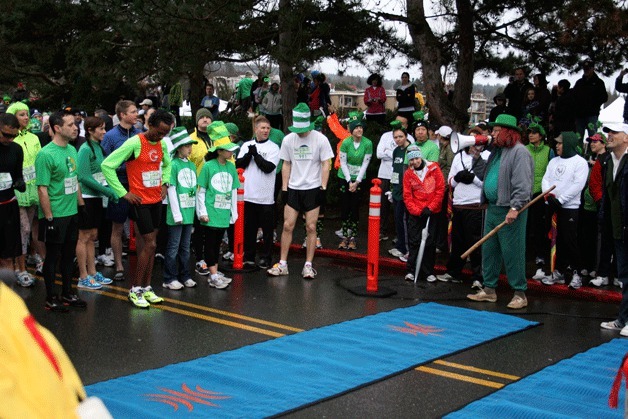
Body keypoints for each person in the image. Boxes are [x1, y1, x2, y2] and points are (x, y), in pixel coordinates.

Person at [101, 110, 174, 308]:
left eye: (165, 134)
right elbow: (107, 165)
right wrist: (123, 193)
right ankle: (135, 289)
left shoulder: (161, 144)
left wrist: (165, 183)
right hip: (139, 200)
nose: (161, 137)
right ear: (149, 125)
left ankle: (147, 287)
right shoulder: (135, 142)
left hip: (155, 200)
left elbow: (168, 164)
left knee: (150, 244)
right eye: (159, 132)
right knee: (150, 244)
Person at [467, 114, 533, 309]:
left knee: (513, 251)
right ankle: (489, 289)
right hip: (493, 207)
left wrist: (515, 207)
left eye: (497, 131)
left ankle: (520, 293)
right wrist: (477, 157)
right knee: (490, 250)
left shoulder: (519, 152)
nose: (493, 134)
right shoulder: (497, 152)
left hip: (510, 209)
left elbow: (522, 183)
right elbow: (484, 175)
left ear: (508, 132)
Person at [267, 103, 334, 279]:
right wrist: (284, 188)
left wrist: (323, 187)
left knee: (311, 226)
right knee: (288, 225)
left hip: (312, 187)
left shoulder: (320, 139)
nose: (299, 131)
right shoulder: (289, 140)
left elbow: (326, 163)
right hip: (294, 187)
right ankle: (282, 264)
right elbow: (286, 164)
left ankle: (308, 265)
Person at [36, 110, 87, 312]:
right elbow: (42, 188)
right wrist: (48, 218)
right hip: (55, 214)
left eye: (75, 124)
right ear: (57, 128)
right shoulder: (45, 154)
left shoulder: (72, 150)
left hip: (71, 212)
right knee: (53, 257)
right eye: (70, 125)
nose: (75, 128)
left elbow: (74, 180)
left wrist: (81, 205)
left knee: (68, 256)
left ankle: (67, 293)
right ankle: (51, 297)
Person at [437, 128, 489, 287]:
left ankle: (478, 276)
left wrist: (473, 179)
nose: (472, 144)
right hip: (459, 205)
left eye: (476, 140)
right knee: (457, 242)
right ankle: (454, 272)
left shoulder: (485, 157)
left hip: (475, 206)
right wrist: (458, 178)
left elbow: (485, 184)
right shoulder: (458, 157)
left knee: (475, 242)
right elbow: (450, 182)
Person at [540, 132, 589, 289]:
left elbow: (578, 185)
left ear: (568, 144)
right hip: (552, 206)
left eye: (560, 143)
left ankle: (576, 273)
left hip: (569, 208)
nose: (557, 145)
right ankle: (558, 272)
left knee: (569, 240)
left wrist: (560, 200)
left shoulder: (580, 162)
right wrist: (548, 196)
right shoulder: (554, 161)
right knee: (555, 239)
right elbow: (545, 179)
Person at [75, 117, 117, 290]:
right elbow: (83, 176)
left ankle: (92, 272)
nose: (104, 132)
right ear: (90, 130)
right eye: (101, 129)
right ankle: (82, 275)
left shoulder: (98, 147)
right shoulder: (85, 149)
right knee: (83, 237)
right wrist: (106, 191)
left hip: (97, 197)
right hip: (87, 197)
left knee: (93, 236)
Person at [101, 100, 141, 281]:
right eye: (133, 112)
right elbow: (105, 162)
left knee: (141, 226)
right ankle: (118, 265)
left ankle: (142, 262)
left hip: (138, 184)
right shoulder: (110, 136)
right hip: (119, 184)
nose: (137, 114)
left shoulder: (140, 134)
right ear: (122, 115)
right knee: (117, 227)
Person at [196, 125, 239, 289]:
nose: (231, 153)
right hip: (211, 212)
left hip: (223, 213)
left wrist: (233, 212)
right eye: (228, 150)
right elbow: (202, 191)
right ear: (219, 151)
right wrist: (203, 212)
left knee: (218, 243)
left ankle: (215, 271)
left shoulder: (231, 167)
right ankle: (213, 274)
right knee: (211, 244)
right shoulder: (208, 166)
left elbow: (234, 190)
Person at [6, 102, 45, 283]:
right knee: (23, 229)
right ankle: (18, 267)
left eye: (27, 114)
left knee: (31, 229)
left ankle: (32, 257)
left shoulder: (33, 138)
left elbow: (38, 162)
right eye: (22, 114)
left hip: (32, 187)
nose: (26, 117)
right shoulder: (11, 140)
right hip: (16, 191)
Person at [236, 116, 280, 269]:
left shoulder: (274, 147)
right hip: (248, 194)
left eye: (268, 128)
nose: (266, 131)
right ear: (255, 129)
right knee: (250, 228)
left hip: (266, 196)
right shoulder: (247, 145)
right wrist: (249, 154)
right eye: (262, 128)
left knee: (267, 230)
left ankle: (266, 257)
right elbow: (239, 163)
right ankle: (248, 255)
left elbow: (268, 167)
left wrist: (256, 154)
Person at [598, 122, 628, 335]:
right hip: (617, 228)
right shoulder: (609, 161)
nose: (609, 136)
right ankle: (623, 319)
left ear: (626, 137)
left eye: (614, 132)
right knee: (624, 276)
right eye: (608, 132)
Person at [402, 144, 445, 282]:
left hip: (432, 212)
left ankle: (428, 271)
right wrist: (417, 211)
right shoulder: (408, 174)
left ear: (421, 157)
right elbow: (407, 196)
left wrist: (430, 208)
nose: (415, 162)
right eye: (412, 160)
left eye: (416, 159)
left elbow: (440, 190)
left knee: (429, 242)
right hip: (416, 212)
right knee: (414, 241)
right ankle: (411, 270)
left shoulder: (434, 169)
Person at [163, 127, 198, 290]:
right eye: (186, 145)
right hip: (177, 215)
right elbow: (171, 189)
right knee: (173, 247)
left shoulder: (191, 165)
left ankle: (185, 275)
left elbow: (194, 190)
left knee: (185, 247)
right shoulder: (173, 165)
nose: (190, 148)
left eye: (191, 145)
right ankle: (169, 278)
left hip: (189, 213)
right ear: (178, 148)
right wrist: (177, 214)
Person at [337, 112, 372, 250]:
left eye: (361, 127)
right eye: (356, 128)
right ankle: (344, 236)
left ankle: (353, 238)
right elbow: (343, 163)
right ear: (351, 130)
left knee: (355, 207)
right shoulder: (345, 143)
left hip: (359, 178)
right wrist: (349, 181)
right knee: (345, 207)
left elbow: (365, 163)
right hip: (344, 177)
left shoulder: (368, 143)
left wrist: (356, 182)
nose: (359, 130)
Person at [376, 115, 414, 242]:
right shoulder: (385, 136)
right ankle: (382, 231)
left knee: (400, 208)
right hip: (386, 175)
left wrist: (387, 152)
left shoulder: (410, 139)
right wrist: (390, 153)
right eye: (395, 137)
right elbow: (379, 153)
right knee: (384, 205)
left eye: (402, 123)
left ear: (406, 126)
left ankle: (401, 236)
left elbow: (409, 158)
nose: (397, 139)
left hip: (403, 179)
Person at [524, 121, 555, 281]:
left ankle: (541, 256)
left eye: (534, 132)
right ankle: (525, 255)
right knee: (525, 227)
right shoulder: (524, 149)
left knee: (540, 228)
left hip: (540, 195)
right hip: (525, 195)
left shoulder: (549, 151)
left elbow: (552, 172)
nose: (531, 135)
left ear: (541, 135)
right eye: (529, 132)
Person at [0, 114, 26, 273]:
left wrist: (20, 183)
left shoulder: (16, 149)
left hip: (9, 207)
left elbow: (18, 175)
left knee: (8, 256)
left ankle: (7, 295)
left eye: (14, 136)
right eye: (6, 135)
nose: (9, 139)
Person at [388, 123, 412, 262]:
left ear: (406, 136)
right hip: (396, 189)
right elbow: (395, 170)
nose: (398, 139)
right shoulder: (396, 151)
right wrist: (392, 189)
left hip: (406, 191)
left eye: (400, 136)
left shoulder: (411, 150)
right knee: (397, 219)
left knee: (404, 221)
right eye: (395, 137)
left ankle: (407, 249)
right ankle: (400, 245)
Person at [572, 59, 608, 140]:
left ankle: (594, 152)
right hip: (579, 115)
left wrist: (593, 103)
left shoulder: (599, 83)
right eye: (584, 69)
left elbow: (604, 97)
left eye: (588, 69)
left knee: (593, 137)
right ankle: (579, 153)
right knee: (578, 138)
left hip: (592, 114)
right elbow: (573, 96)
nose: (586, 71)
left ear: (592, 69)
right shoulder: (579, 82)